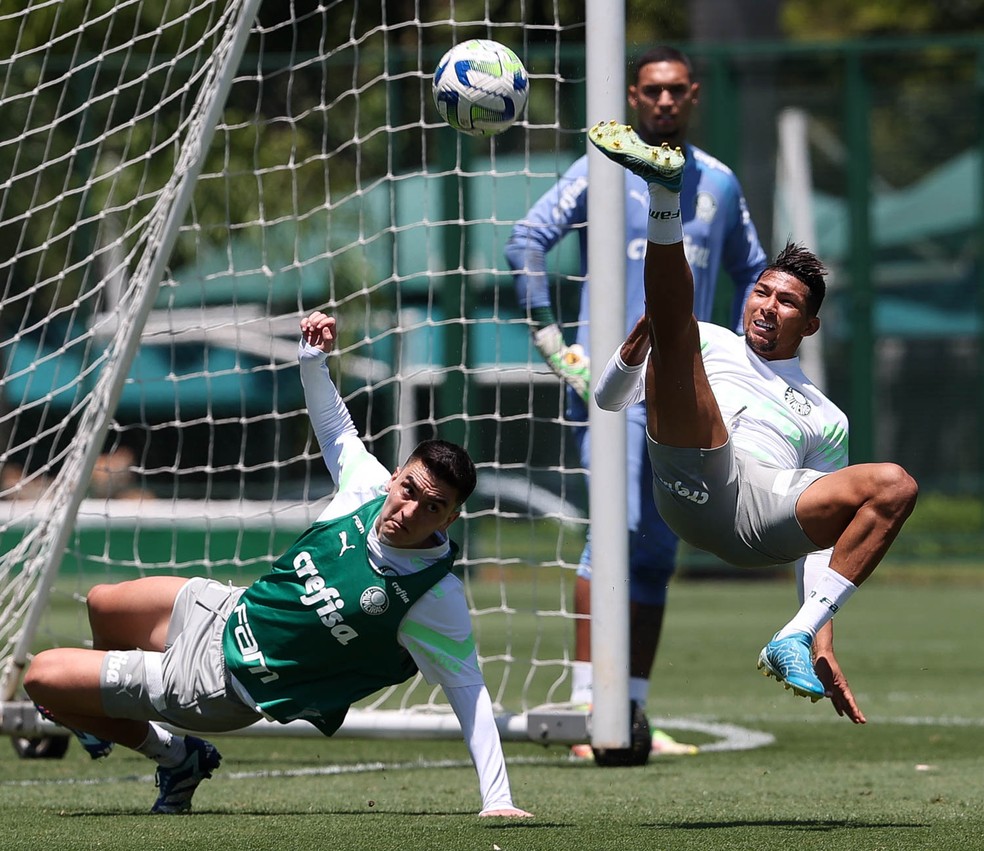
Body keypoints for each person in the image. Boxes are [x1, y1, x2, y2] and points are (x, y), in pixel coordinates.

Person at [23, 311, 534, 819]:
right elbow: (335, 425)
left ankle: (175, 756)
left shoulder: (433, 596)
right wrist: (313, 358)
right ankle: (105, 716)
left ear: (452, 516)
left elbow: (469, 692)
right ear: (395, 476)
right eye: (409, 491)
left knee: (42, 678)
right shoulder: (365, 486)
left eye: (433, 508)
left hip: (223, 682)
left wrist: (499, 801)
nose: (411, 511)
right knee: (102, 604)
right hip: (226, 608)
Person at [586, 120, 919, 720]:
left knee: (895, 485)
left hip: (763, 521)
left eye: (787, 301)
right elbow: (609, 401)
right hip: (695, 481)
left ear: (809, 325)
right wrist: (638, 348)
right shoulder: (709, 341)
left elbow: (822, 541)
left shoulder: (826, 415)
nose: (768, 306)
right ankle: (667, 192)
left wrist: (821, 638)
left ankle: (790, 635)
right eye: (763, 291)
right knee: (676, 329)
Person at [503, 45, 767, 757]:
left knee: (656, 550)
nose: (664, 102)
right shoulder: (601, 168)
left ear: (695, 95)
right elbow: (525, 239)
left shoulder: (720, 182)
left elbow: (755, 274)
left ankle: (635, 711)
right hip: (612, 391)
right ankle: (593, 705)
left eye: (677, 90)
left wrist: (747, 358)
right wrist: (556, 342)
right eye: (652, 91)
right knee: (612, 533)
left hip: (687, 394)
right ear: (633, 94)